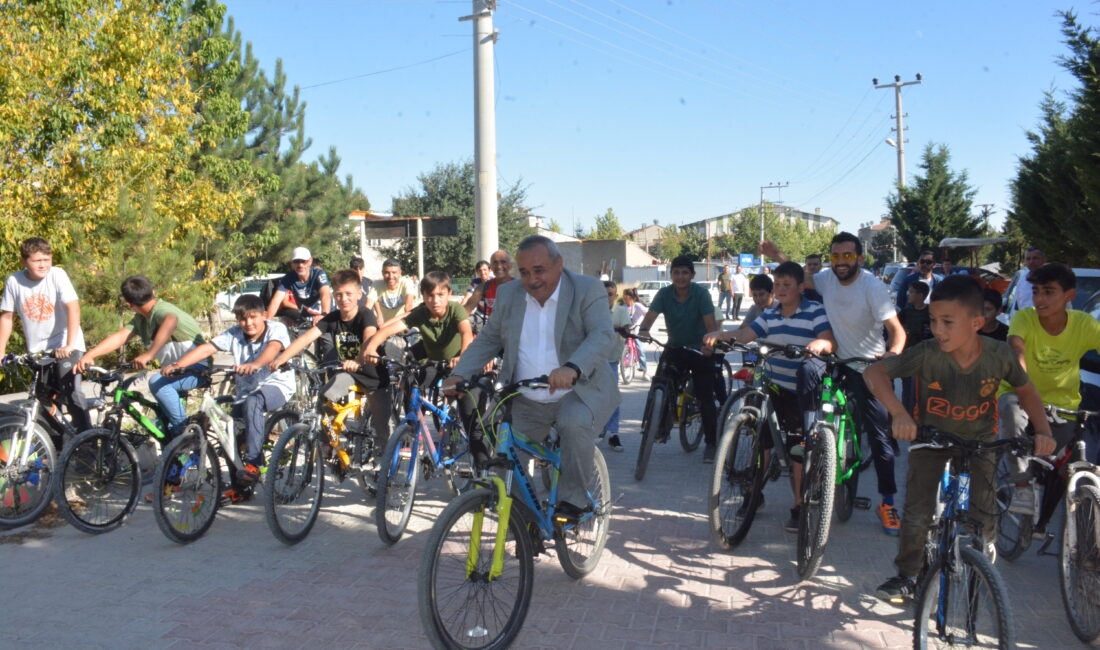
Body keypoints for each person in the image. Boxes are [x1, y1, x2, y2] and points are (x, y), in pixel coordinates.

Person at [863, 275, 1055, 604]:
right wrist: (898, 413)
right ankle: (908, 574)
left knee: (984, 511)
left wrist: (1044, 431)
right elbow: (873, 373)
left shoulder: (999, 355)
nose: (938, 330)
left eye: (948, 322)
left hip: (979, 442)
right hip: (931, 439)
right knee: (918, 513)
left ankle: (983, 552)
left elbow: (1026, 391)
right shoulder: (927, 353)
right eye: (935, 321)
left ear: (977, 322)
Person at [442, 235, 619, 521]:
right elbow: (488, 339)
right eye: (524, 272)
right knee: (505, 458)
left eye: (539, 270)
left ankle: (574, 501)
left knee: (573, 423)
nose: (532, 279)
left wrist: (572, 367)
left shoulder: (586, 289)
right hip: (527, 395)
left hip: (579, 390)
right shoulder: (510, 294)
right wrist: (459, 374)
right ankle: (527, 524)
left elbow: (602, 336)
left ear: (559, 264)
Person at [762, 232, 907, 536]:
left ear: (860, 258)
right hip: (833, 360)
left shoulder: (872, 287)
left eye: (847, 256)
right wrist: (776, 254)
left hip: (867, 366)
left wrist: (890, 358)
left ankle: (888, 502)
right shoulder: (826, 278)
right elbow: (796, 275)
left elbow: (897, 332)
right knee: (807, 371)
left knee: (880, 437)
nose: (841, 262)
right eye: (836, 256)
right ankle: (810, 432)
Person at [703, 261, 835, 531]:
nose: (782, 289)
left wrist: (820, 344)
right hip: (774, 385)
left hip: (801, 389)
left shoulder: (814, 311)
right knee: (760, 442)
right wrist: (721, 334)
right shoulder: (771, 314)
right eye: (778, 285)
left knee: (799, 448)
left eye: (787, 285)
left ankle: (799, 505)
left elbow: (828, 338)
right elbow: (746, 333)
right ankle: (753, 495)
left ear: (801, 287)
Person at [163, 294, 294, 501]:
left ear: (264, 316)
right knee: (230, 434)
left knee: (254, 401)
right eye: (242, 319)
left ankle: (255, 462)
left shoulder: (277, 329)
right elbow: (207, 348)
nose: (248, 323)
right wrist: (179, 366)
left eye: (253, 317)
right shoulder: (234, 334)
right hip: (245, 392)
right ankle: (239, 490)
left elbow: (273, 349)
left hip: (276, 386)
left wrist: (256, 364)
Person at [999, 263, 1100, 515]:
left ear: (1070, 296)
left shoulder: (1084, 324)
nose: (1039, 299)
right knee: (1012, 416)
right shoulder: (1025, 318)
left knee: (1054, 460)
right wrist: (1022, 382)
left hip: (1063, 402)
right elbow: (1016, 351)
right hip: (1019, 392)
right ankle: (1021, 485)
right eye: (1036, 291)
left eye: (1048, 292)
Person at [271, 269, 391, 447]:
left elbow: (369, 338)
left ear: (359, 294)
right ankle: (330, 446)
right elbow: (305, 338)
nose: (344, 299)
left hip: (373, 376)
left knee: (381, 426)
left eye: (349, 294)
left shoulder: (365, 314)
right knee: (326, 397)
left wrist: (358, 361)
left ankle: (385, 462)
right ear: (334, 296)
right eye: (339, 295)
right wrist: (282, 358)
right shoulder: (332, 318)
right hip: (348, 374)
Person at [76, 275, 208, 437]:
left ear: (129, 305)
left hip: (199, 367)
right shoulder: (141, 319)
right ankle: (175, 455)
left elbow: (171, 321)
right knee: (164, 426)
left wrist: (149, 354)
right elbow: (120, 337)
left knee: (158, 383)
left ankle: (187, 433)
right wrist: (91, 354)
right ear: (153, 291)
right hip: (175, 372)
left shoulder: (161, 310)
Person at [0, 237, 90, 430]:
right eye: (37, 261)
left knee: (72, 392)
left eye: (46, 259)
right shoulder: (14, 281)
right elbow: (6, 317)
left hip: (66, 342)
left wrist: (69, 344)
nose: (43, 265)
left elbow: (73, 308)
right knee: (41, 399)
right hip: (39, 352)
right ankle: (57, 444)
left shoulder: (57, 275)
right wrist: (1, 351)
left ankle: (89, 442)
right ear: (24, 261)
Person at [637, 255, 720, 462]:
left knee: (705, 397)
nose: (680, 277)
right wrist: (644, 331)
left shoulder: (700, 294)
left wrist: (709, 345)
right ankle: (656, 426)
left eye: (685, 273)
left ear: (692, 275)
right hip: (674, 348)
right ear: (670, 274)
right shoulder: (664, 294)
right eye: (676, 272)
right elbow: (649, 317)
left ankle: (711, 443)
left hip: (700, 350)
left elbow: (710, 324)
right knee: (660, 385)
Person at [266, 247, 332, 325]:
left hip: (322, 316)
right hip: (304, 318)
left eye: (304, 261)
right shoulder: (288, 278)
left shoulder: (319, 273)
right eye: (296, 261)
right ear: (292, 264)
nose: (300, 265)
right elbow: (276, 300)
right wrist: (267, 321)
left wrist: (324, 314)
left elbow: (325, 294)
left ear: (310, 261)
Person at [604, 280, 632, 452]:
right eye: (603, 294)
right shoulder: (590, 310)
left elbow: (627, 331)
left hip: (612, 360)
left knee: (613, 398)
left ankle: (614, 434)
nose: (606, 298)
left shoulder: (621, 311)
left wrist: (617, 328)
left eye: (610, 294)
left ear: (615, 296)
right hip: (592, 362)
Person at [899, 281, 932, 414]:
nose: (908, 295)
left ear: (921, 295)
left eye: (912, 292)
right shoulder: (906, 312)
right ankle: (907, 416)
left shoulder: (931, 312)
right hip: (908, 357)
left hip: (927, 358)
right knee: (908, 390)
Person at [374, 258, 418, 326]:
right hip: (383, 326)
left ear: (400, 273)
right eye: (387, 273)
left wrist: (408, 324)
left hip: (401, 324)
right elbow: (370, 303)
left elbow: (408, 306)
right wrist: (379, 315)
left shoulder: (407, 283)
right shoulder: (377, 284)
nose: (391, 276)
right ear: (382, 273)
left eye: (394, 273)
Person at [1006, 246, 1046, 316]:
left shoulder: (1054, 280)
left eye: (1035, 258)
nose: (1031, 261)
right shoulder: (1022, 281)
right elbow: (1020, 305)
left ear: (1044, 260)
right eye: (1028, 259)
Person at [621, 287, 649, 377]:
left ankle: (644, 371)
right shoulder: (623, 307)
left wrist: (643, 325)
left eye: (626, 297)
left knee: (640, 349)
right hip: (625, 332)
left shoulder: (638, 306)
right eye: (623, 297)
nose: (624, 299)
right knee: (620, 348)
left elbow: (648, 314)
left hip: (636, 332)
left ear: (631, 297)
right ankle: (622, 367)